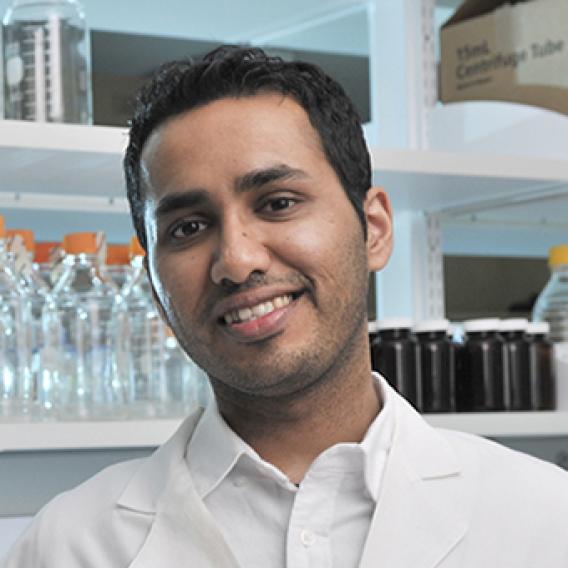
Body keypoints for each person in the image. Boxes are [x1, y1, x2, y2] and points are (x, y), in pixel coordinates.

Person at [4, 45, 568, 568]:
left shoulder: (545, 519)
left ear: (373, 229)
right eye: (189, 228)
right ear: (153, 283)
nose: (237, 259)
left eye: (278, 203)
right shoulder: (70, 547)